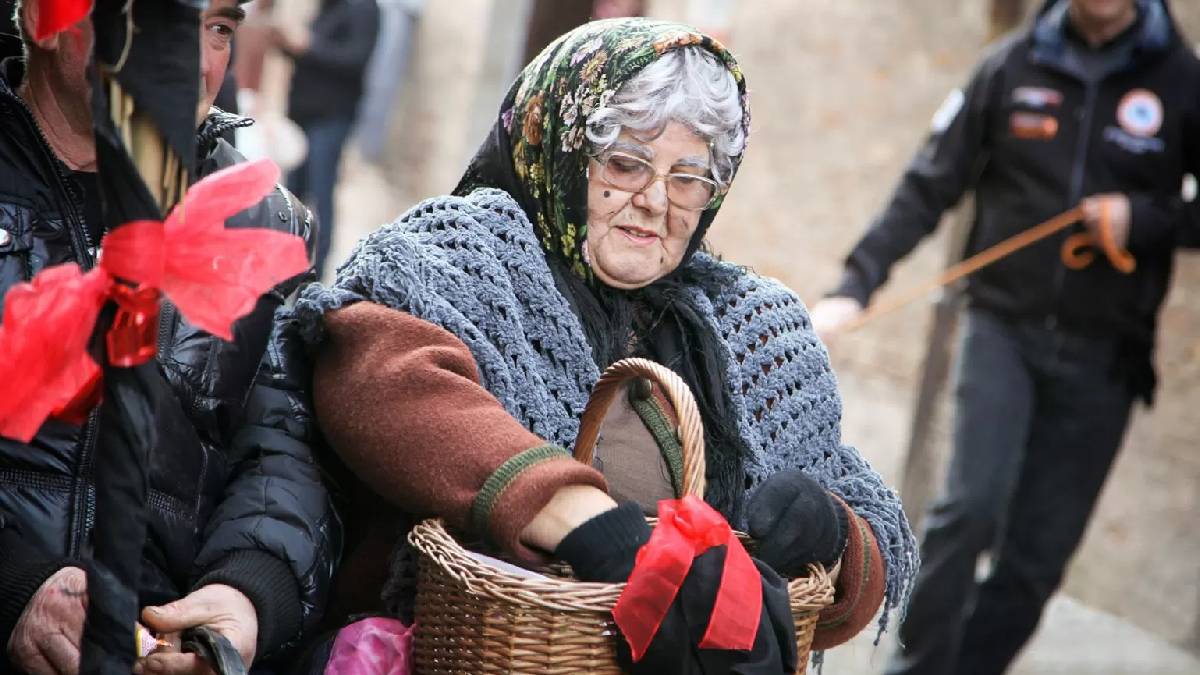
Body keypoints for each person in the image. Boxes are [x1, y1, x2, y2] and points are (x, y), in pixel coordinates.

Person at [262, 17, 917, 672]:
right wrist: (599, 531)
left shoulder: (751, 320)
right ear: (565, 154)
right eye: (627, 164)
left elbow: (847, 573)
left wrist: (831, 536)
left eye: (689, 178)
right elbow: (381, 382)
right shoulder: (458, 255)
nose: (657, 201)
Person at [808, 1, 1200, 673]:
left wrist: (1146, 218)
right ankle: (914, 666)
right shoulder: (1010, 67)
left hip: (1108, 355)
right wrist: (857, 281)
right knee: (968, 509)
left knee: (1037, 559)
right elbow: (929, 182)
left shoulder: (1184, 83)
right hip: (1002, 328)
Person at [0, 1, 338, 673]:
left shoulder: (255, 220)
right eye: (154, 14)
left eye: (218, 28)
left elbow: (281, 450)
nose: (196, 60)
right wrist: (14, 585)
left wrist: (243, 594)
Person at [271, 0, 380, 279]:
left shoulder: (363, 8)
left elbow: (354, 59)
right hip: (304, 117)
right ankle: (285, 269)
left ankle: (315, 276)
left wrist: (308, 45)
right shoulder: (330, 6)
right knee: (293, 196)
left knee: (320, 194)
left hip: (331, 118)